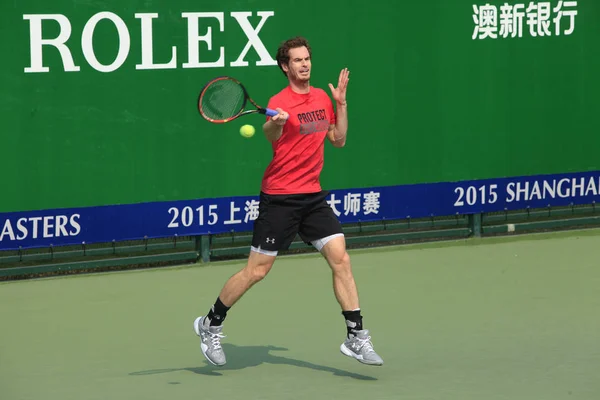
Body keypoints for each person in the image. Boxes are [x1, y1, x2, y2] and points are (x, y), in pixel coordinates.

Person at [193, 36, 383, 367]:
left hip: (312, 196)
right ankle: (210, 324)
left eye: (307, 58)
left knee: (341, 258)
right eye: (297, 60)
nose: (305, 64)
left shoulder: (323, 98)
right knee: (256, 271)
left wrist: (341, 103)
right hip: (280, 199)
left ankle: (356, 336)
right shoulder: (279, 102)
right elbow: (271, 134)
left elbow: (337, 140)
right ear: (285, 67)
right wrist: (274, 123)